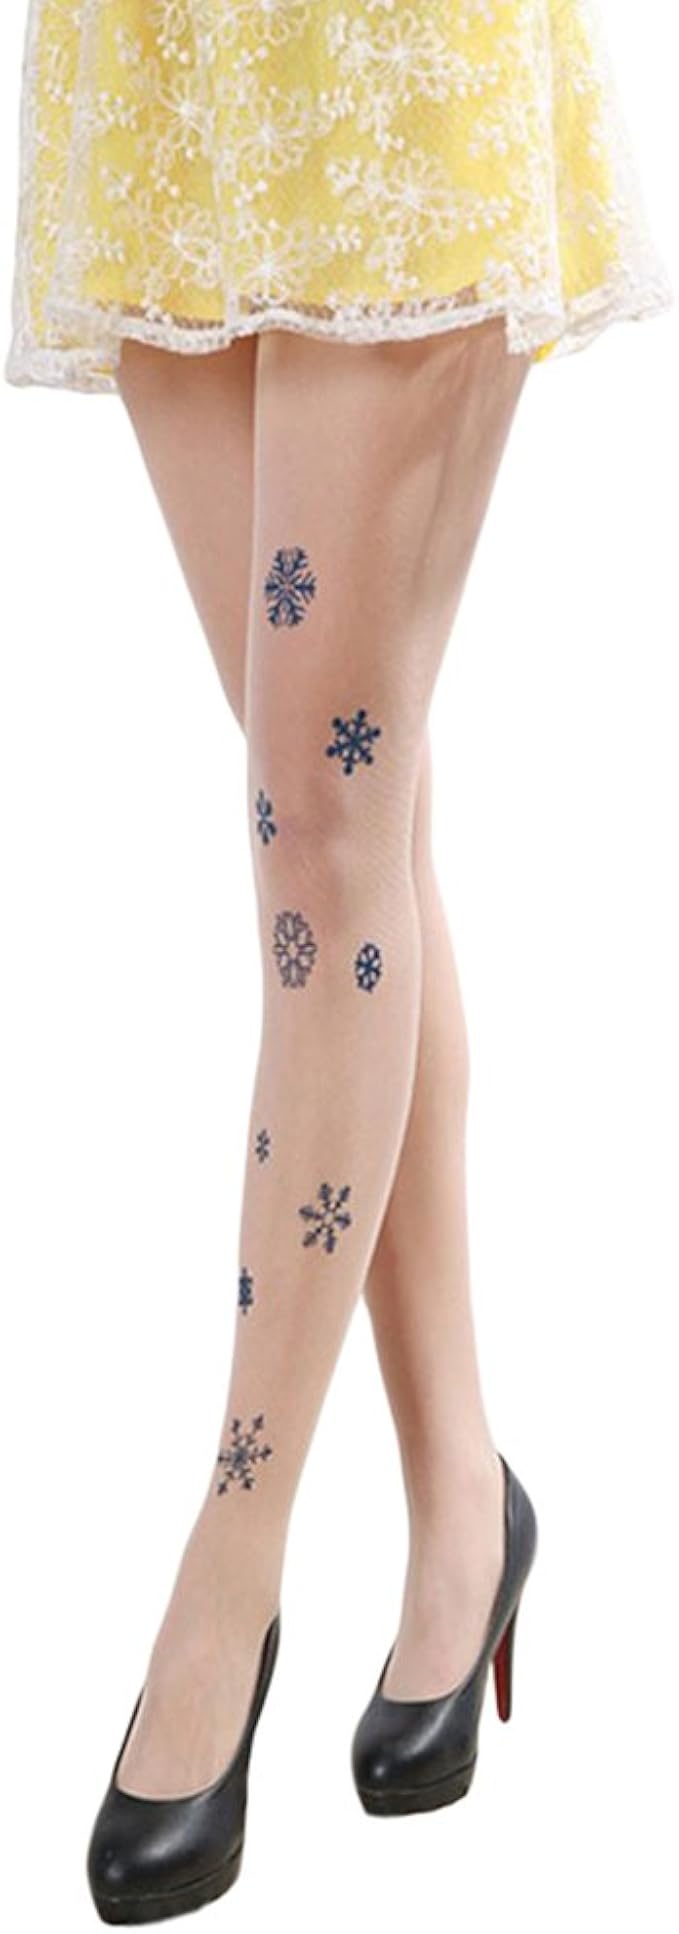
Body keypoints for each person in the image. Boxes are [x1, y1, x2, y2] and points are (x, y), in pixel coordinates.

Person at [5, 2, 670, 1924]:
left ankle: (228, 1572)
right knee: (342, 819)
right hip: (171, 61)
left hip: (391, 54)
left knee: (323, 820)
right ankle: (468, 1498)